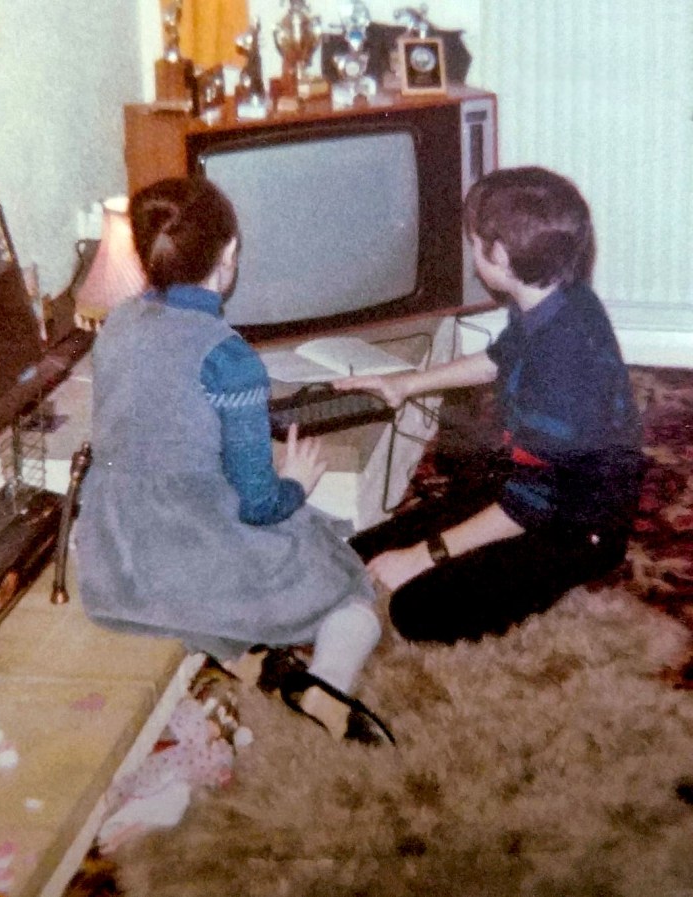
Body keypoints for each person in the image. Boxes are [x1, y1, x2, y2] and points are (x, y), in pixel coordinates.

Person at [75, 176, 392, 745]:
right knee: (348, 582)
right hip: (192, 547)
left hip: (114, 558)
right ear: (229, 257)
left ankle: (247, 657)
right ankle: (327, 683)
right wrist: (295, 483)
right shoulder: (230, 358)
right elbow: (259, 504)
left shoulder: (115, 323)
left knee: (204, 599)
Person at [338, 166, 644, 644]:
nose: (471, 250)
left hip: (576, 525)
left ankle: (564, 575)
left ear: (499, 256)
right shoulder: (557, 299)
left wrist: (426, 554)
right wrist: (406, 383)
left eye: (475, 242)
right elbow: (498, 358)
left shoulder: (560, 369)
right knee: (362, 551)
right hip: (533, 480)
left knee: (415, 610)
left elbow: (526, 507)